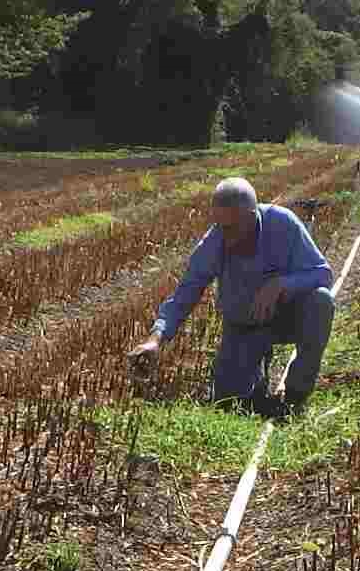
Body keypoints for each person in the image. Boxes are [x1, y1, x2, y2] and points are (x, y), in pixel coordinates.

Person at [126, 177, 336, 418]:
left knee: (321, 302)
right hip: (244, 325)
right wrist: (156, 338)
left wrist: (281, 284)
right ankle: (255, 377)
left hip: (287, 317)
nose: (228, 237)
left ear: (252, 215)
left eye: (233, 228)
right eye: (221, 226)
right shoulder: (215, 242)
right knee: (229, 402)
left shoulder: (283, 224)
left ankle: (296, 394)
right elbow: (185, 294)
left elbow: (323, 274)